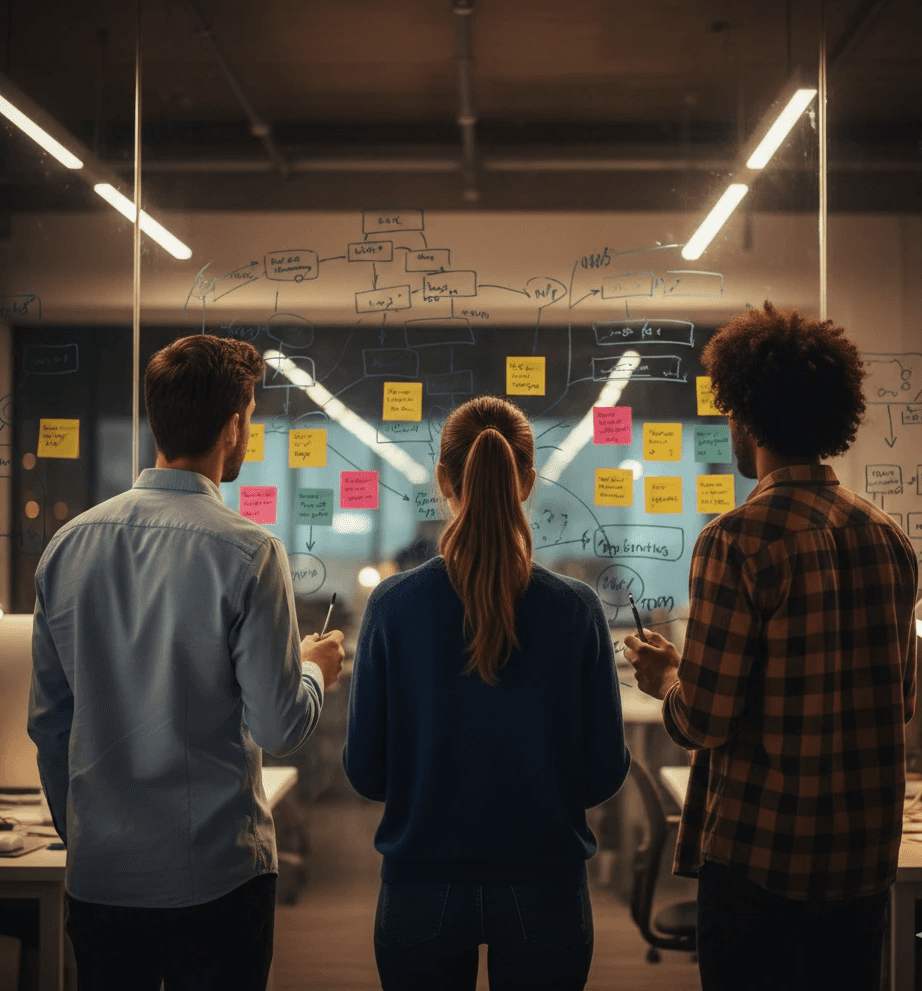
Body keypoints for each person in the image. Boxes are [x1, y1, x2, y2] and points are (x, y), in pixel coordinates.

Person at [28, 334, 345, 991]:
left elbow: (51, 725)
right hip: (215, 878)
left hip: (102, 880)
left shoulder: (67, 547)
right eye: (251, 416)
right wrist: (314, 668)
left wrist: (88, 836)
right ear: (234, 424)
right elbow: (281, 726)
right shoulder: (249, 552)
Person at [623, 303, 919, 991]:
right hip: (863, 862)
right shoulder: (889, 539)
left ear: (747, 416)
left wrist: (668, 678)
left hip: (763, 861)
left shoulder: (737, 539)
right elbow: (900, 702)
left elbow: (704, 719)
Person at [343, 394, 630, 991]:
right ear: (527, 482)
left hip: (420, 882)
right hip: (545, 882)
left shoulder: (392, 607)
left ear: (443, 480)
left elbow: (366, 773)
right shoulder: (576, 611)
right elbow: (603, 774)